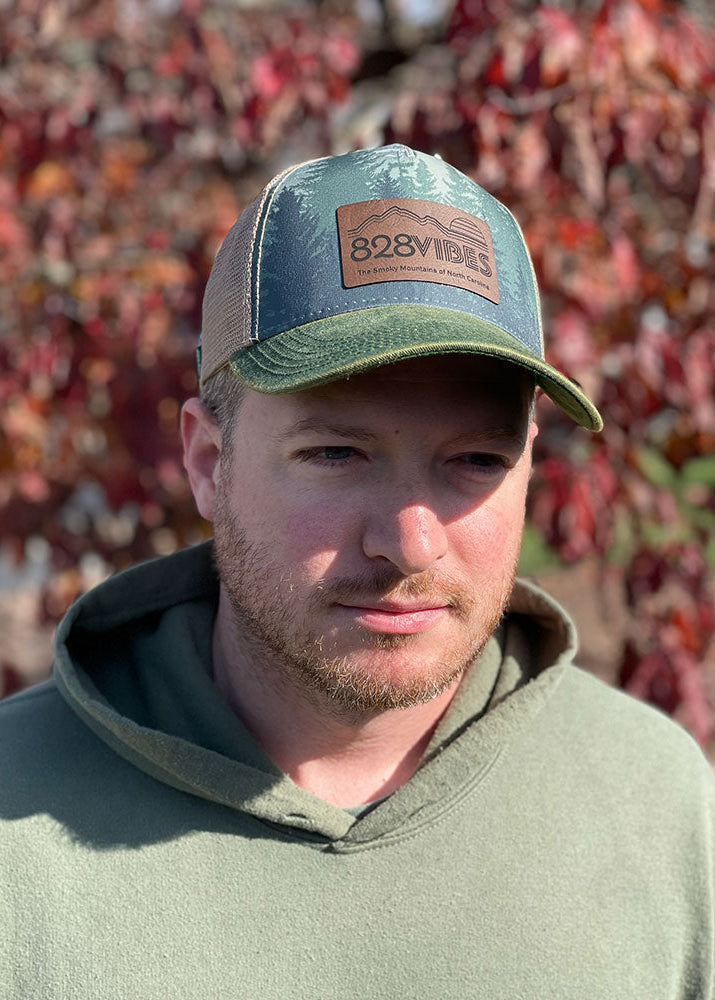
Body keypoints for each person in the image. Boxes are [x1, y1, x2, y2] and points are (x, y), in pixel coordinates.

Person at [1, 144, 713, 998]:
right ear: (206, 459)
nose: (409, 544)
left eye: (475, 461)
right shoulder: (19, 831)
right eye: (336, 453)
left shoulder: (658, 809)